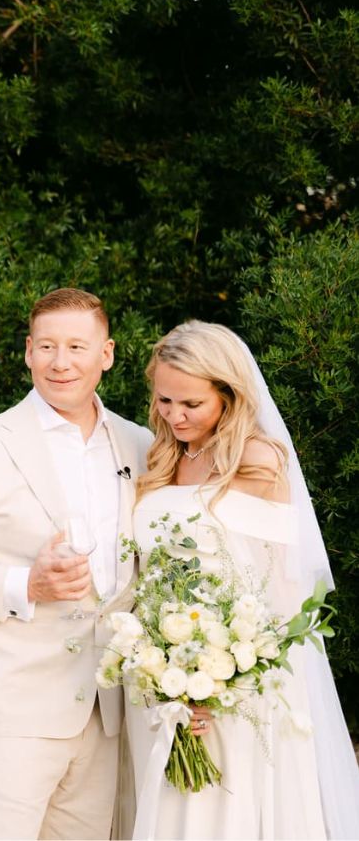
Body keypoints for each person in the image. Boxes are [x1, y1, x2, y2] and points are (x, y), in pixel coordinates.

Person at [0, 288, 153, 839]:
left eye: (76, 347)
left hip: (108, 708)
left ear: (106, 354)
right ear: (28, 351)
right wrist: (27, 584)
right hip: (16, 709)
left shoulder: (140, 445)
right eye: (47, 346)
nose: (61, 362)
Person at [124, 320, 359, 839]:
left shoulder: (256, 460)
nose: (175, 416)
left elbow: (281, 587)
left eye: (192, 404)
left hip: (238, 680)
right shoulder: (163, 456)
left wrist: (222, 678)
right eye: (165, 401)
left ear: (228, 395)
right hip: (164, 679)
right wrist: (162, 665)